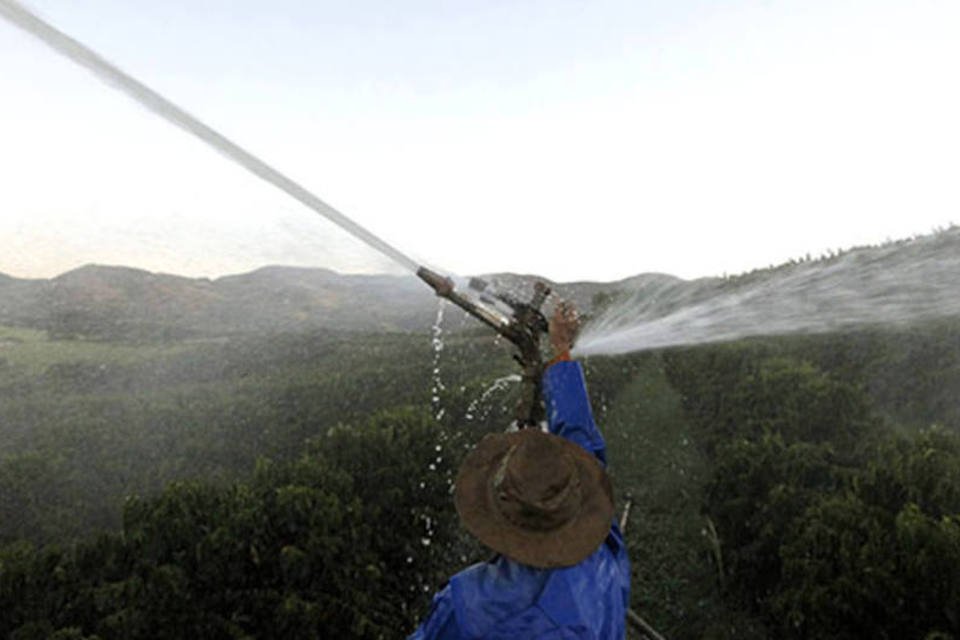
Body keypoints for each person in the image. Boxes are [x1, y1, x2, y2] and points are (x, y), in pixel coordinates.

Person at [409, 301, 631, 639]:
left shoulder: (468, 606)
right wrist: (561, 353)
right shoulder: (605, 555)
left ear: (499, 512)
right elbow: (580, 439)